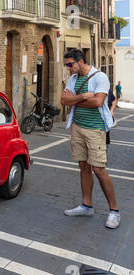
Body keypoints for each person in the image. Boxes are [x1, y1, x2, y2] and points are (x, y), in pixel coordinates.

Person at [61, 49, 120, 229]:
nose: (68, 68)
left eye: (70, 64)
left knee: (98, 169)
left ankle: (114, 211)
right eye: (66, 65)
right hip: (77, 127)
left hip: (95, 129)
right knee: (83, 166)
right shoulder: (72, 80)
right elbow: (63, 100)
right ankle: (86, 206)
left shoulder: (99, 77)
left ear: (80, 61)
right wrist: (84, 96)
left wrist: (75, 100)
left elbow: (98, 102)